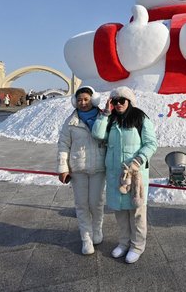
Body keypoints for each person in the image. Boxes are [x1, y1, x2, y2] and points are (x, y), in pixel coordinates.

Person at [92, 86, 157, 264]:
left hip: (135, 174)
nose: (119, 104)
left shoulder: (140, 118)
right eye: (115, 101)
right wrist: (105, 113)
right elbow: (97, 134)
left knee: (136, 212)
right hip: (115, 174)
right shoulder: (111, 119)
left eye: (122, 100)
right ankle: (123, 243)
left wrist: (138, 160)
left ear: (129, 101)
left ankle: (137, 246)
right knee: (120, 212)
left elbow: (151, 143)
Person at [57, 86, 106, 255]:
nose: (83, 103)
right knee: (81, 205)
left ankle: (97, 230)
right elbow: (63, 145)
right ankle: (86, 238)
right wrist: (63, 168)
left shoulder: (104, 117)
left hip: (99, 168)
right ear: (74, 102)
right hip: (77, 169)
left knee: (96, 203)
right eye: (79, 100)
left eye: (86, 99)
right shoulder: (70, 122)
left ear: (93, 99)